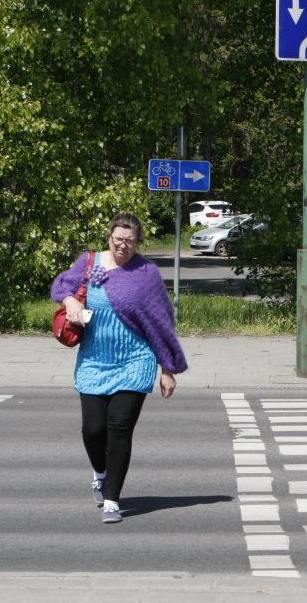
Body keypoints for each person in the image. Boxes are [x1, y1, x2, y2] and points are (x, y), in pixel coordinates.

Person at [51, 212, 187, 524]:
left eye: (129, 240)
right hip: (94, 360)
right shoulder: (89, 262)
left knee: (120, 427)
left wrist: (167, 368)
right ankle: (100, 472)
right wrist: (71, 301)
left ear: (137, 242)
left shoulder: (146, 273)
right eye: (117, 239)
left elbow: (161, 321)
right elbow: (62, 285)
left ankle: (112, 499)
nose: (122, 245)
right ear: (110, 236)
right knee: (93, 430)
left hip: (135, 360)